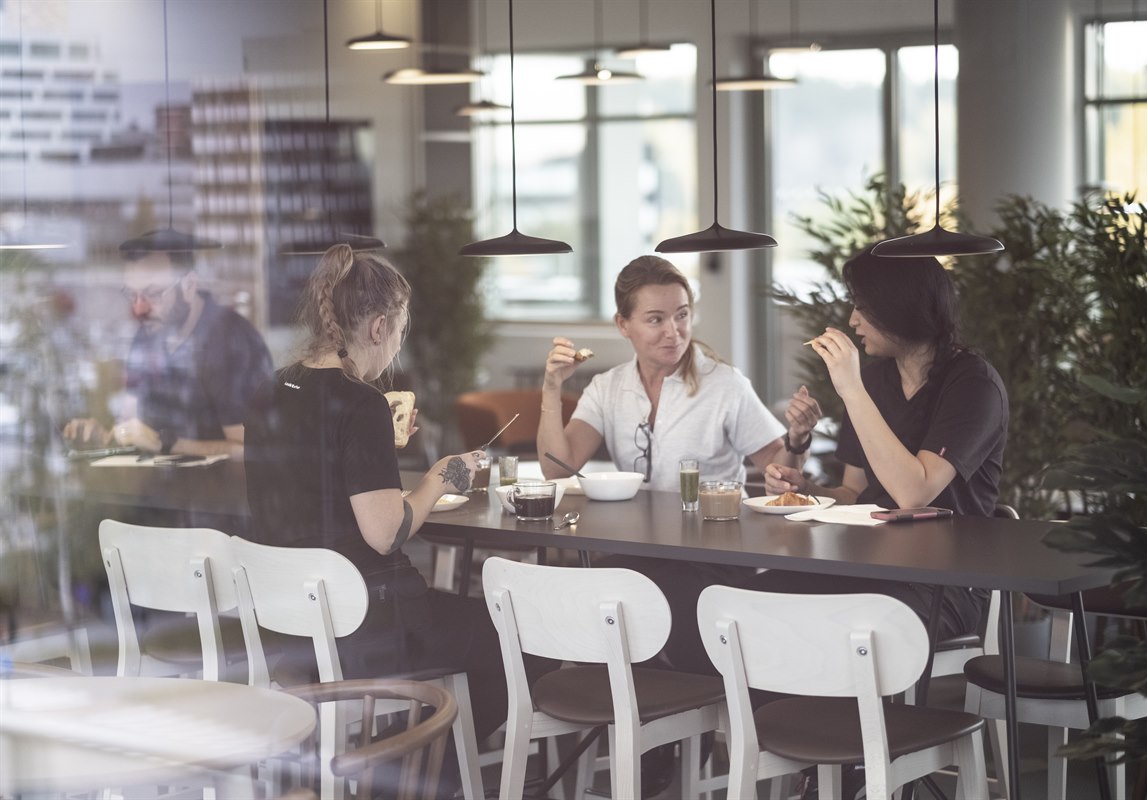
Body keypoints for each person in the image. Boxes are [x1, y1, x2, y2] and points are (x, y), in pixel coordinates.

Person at [242, 244, 547, 763]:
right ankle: (426, 768)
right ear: (378, 327)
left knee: (474, 632)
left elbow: (315, 491)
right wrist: (437, 476)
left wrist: (380, 451)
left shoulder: (272, 388)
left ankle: (409, 758)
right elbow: (384, 533)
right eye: (400, 332)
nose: (397, 347)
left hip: (288, 620)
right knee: (521, 638)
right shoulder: (360, 403)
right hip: (364, 621)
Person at [537, 254, 817, 669]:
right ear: (623, 325)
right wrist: (550, 388)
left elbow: (780, 465)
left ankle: (687, 708)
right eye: (655, 319)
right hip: (640, 552)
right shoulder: (607, 387)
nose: (674, 332)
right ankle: (641, 713)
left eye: (682, 315)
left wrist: (797, 439)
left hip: (712, 559)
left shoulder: (725, 385)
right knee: (589, 595)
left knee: (632, 596)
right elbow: (558, 467)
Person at [754, 246, 1009, 642]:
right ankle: (780, 706)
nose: (853, 320)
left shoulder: (973, 384)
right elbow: (854, 493)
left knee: (832, 621)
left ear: (900, 307)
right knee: (759, 598)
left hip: (944, 581)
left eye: (863, 307)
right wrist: (807, 490)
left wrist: (850, 388)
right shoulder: (875, 380)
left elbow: (913, 493)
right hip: (870, 566)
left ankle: (843, 705)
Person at [62, 249, 273, 459]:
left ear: (189, 286)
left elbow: (254, 451)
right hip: (157, 485)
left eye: (153, 294)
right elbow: (129, 422)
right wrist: (104, 437)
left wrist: (169, 444)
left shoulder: (231, 339)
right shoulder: (148, 335)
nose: (139, 309)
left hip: (216, 488)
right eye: (133, 295)